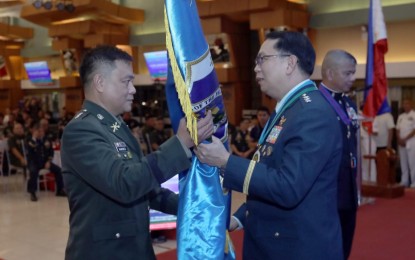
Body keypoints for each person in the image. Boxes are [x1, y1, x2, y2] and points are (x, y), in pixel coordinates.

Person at [195, 31, 343, 259]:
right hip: (275, 241)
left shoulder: (311, 112)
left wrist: (226, 161)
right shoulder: (290, 108)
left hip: (295, 248)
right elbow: (270, 168)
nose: (255, 68)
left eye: (262, 59)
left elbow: (288, 187)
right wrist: (242, 216)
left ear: (290, 63)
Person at [61, 45, 213, 260]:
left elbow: (148, 191)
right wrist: (179, 144)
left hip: (134, 249)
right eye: (126, 81)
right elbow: (125, 183)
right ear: (100, 83)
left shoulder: (116, 127)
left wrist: (193, 208)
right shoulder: (81, 130)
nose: (133, 89)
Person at [320, 49, 359, 259]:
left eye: (353, 73)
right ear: (330, 73)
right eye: (348, 73)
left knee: (344, 249)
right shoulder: (316, 104)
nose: (353, 78)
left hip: (348, 191)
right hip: (327, 193)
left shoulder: (348, 104)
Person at [26, 122, 66, 202]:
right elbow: (32, 151)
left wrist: (48, 161)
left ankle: (59, 190)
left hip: (45, 162)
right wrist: (34, 137)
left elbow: (51, 151)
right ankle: (32, 192)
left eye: (42, 131)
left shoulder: (46, 139)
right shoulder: (29, 140)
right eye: (39, 131)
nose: (41, 133)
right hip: (34, 162)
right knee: (33, 172)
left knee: (58, 170)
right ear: (35, 131)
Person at [396, 99, 415, 187]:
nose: (405, 105)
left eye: (407, 103)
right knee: (403, 162)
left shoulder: (414, 115)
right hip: (401, 142)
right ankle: (404, 181)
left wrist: (405, 139)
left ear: (411, 104)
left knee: (412, 162)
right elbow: (397, 129)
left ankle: (414, 182)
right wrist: (399, 139)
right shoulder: (401, 116)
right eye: (404, 104)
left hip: (411, 142)